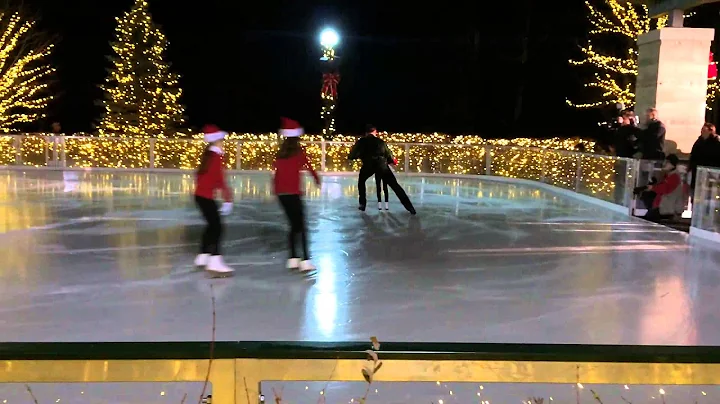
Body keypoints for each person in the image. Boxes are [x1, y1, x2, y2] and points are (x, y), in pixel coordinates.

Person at [273, 118, 321, 273]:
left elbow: (276, 173)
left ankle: (293, 259)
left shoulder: (280, 153)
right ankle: (306, 260)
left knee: (294, 226)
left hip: (281, 194)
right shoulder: (299, 152)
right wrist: (316, 178)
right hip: (293, 193)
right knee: (302, 226)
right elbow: (308, 166)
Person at [193, 124, 234, 276]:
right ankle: (215, 261)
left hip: (201, 196)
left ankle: (203, 256)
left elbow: (204, 177)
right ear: (216, 141)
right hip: (205, 197)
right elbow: (221, 179)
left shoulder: (208, 156)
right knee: (217, 227)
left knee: (212, 225)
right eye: (221, 140)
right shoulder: (216, 157)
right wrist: (228, 200)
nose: (223, 143)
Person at [348, 125, 416, 214]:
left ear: (366, 133)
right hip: (382, 165)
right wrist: (392, 161)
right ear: (374, 132)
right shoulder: (380, 142)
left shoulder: (361, 142)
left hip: (368, 165)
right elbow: (389, 155)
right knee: (395, 186)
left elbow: (352, 155)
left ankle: (362, 204)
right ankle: (410, 207)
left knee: (361, 181)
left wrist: (359, 156)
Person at [633, 154, 685, 222]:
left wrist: (652, 187)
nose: (664, 164)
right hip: (663, 206)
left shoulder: (674, 177)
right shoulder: (669, 175)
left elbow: (665, 189)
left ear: (673, 165)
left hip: (666, 208)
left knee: (647, 219)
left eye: (667, 162)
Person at [688, 123, 720, 197]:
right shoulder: (699, 141)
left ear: (710, 131)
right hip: (697, 172)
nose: (701, 131)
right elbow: (693, 155)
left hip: (709, 173)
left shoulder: (716, 142)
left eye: (704, 129)